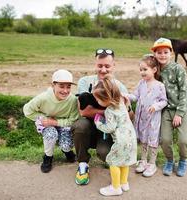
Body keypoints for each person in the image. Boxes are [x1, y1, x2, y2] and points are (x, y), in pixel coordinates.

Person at [72, 48, 130, 185]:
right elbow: (83, 111)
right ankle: (82, 164)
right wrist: (111, 110)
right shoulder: (84, 82)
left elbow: (127, 114)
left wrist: (124, 108)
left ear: (113, 66)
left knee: (105, 154)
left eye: (107, 66)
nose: (103, 69)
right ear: (95, 64)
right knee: (80, 125)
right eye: (100, 65)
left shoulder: (120, 86)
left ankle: (113, 161)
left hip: (108, 131)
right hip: (89, 126)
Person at [151, 37, 187, 177]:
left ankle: (183, 160)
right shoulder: (155, 70)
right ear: (155, 54)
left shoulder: (177, 69)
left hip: (183, 107)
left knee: (184, 140)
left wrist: (179, 113)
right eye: (159, 52)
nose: (162, 55)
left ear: (171, 53)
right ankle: (169, 160)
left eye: (165, 52)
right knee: (165, 139)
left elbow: (185, 92)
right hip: (166, 108)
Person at [23, 69, 79, 173]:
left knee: (66, 145)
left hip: (63, 124)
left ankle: (67, 151)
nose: (65, 90)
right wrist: (44, 118)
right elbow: (27, 110)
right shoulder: (43, 98)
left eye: (68, 87)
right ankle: (48, 157)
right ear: (53, 85)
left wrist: (55, 122)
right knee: (51, 134)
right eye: (61, 86)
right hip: (47, 123)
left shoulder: (73, 100)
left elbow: (73, 120)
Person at [93, 75, 137, 196]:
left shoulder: (109, 111)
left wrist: (98, 123)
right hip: (131, 137)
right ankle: (124, 182)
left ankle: (115, 187)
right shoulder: (121, 102)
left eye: (98, 99)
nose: (97, 101)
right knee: (125, 160)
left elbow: (109, 128)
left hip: (121, 140)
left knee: (113, 162)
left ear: (106, 98)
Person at [127, 54, 167, 177]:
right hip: (142, 118)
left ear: (154, 70)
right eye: (141, 70)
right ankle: (143, 160)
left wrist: (155, 106)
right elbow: (136, 97)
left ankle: (152, 163)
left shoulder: (159, 86)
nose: (142, 72)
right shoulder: (141, 84)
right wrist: (126, 96)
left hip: (153, 119)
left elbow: (164, 101)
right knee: (143, 140)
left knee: (153, 140)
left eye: (145, 69)